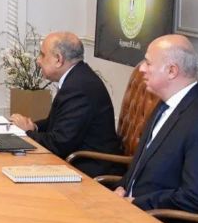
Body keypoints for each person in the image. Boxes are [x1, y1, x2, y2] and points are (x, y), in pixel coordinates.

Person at [114, 34, 198, 223]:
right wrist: (122, 187)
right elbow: (142, 166)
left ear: (172, 71)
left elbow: (197, 199)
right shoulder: (164, 106)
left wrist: (137, 202)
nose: (141, 69)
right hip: (136, 218)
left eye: (148, 63)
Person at [10, 32, 121, 177]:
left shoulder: (79, 87)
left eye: (42, 55)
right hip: (75, 159)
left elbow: (59, 144)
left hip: (87, 167)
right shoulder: (77, 77)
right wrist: (34, 126)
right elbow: (56, 123)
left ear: (58, 59)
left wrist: (27, 133)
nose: (38, 60)